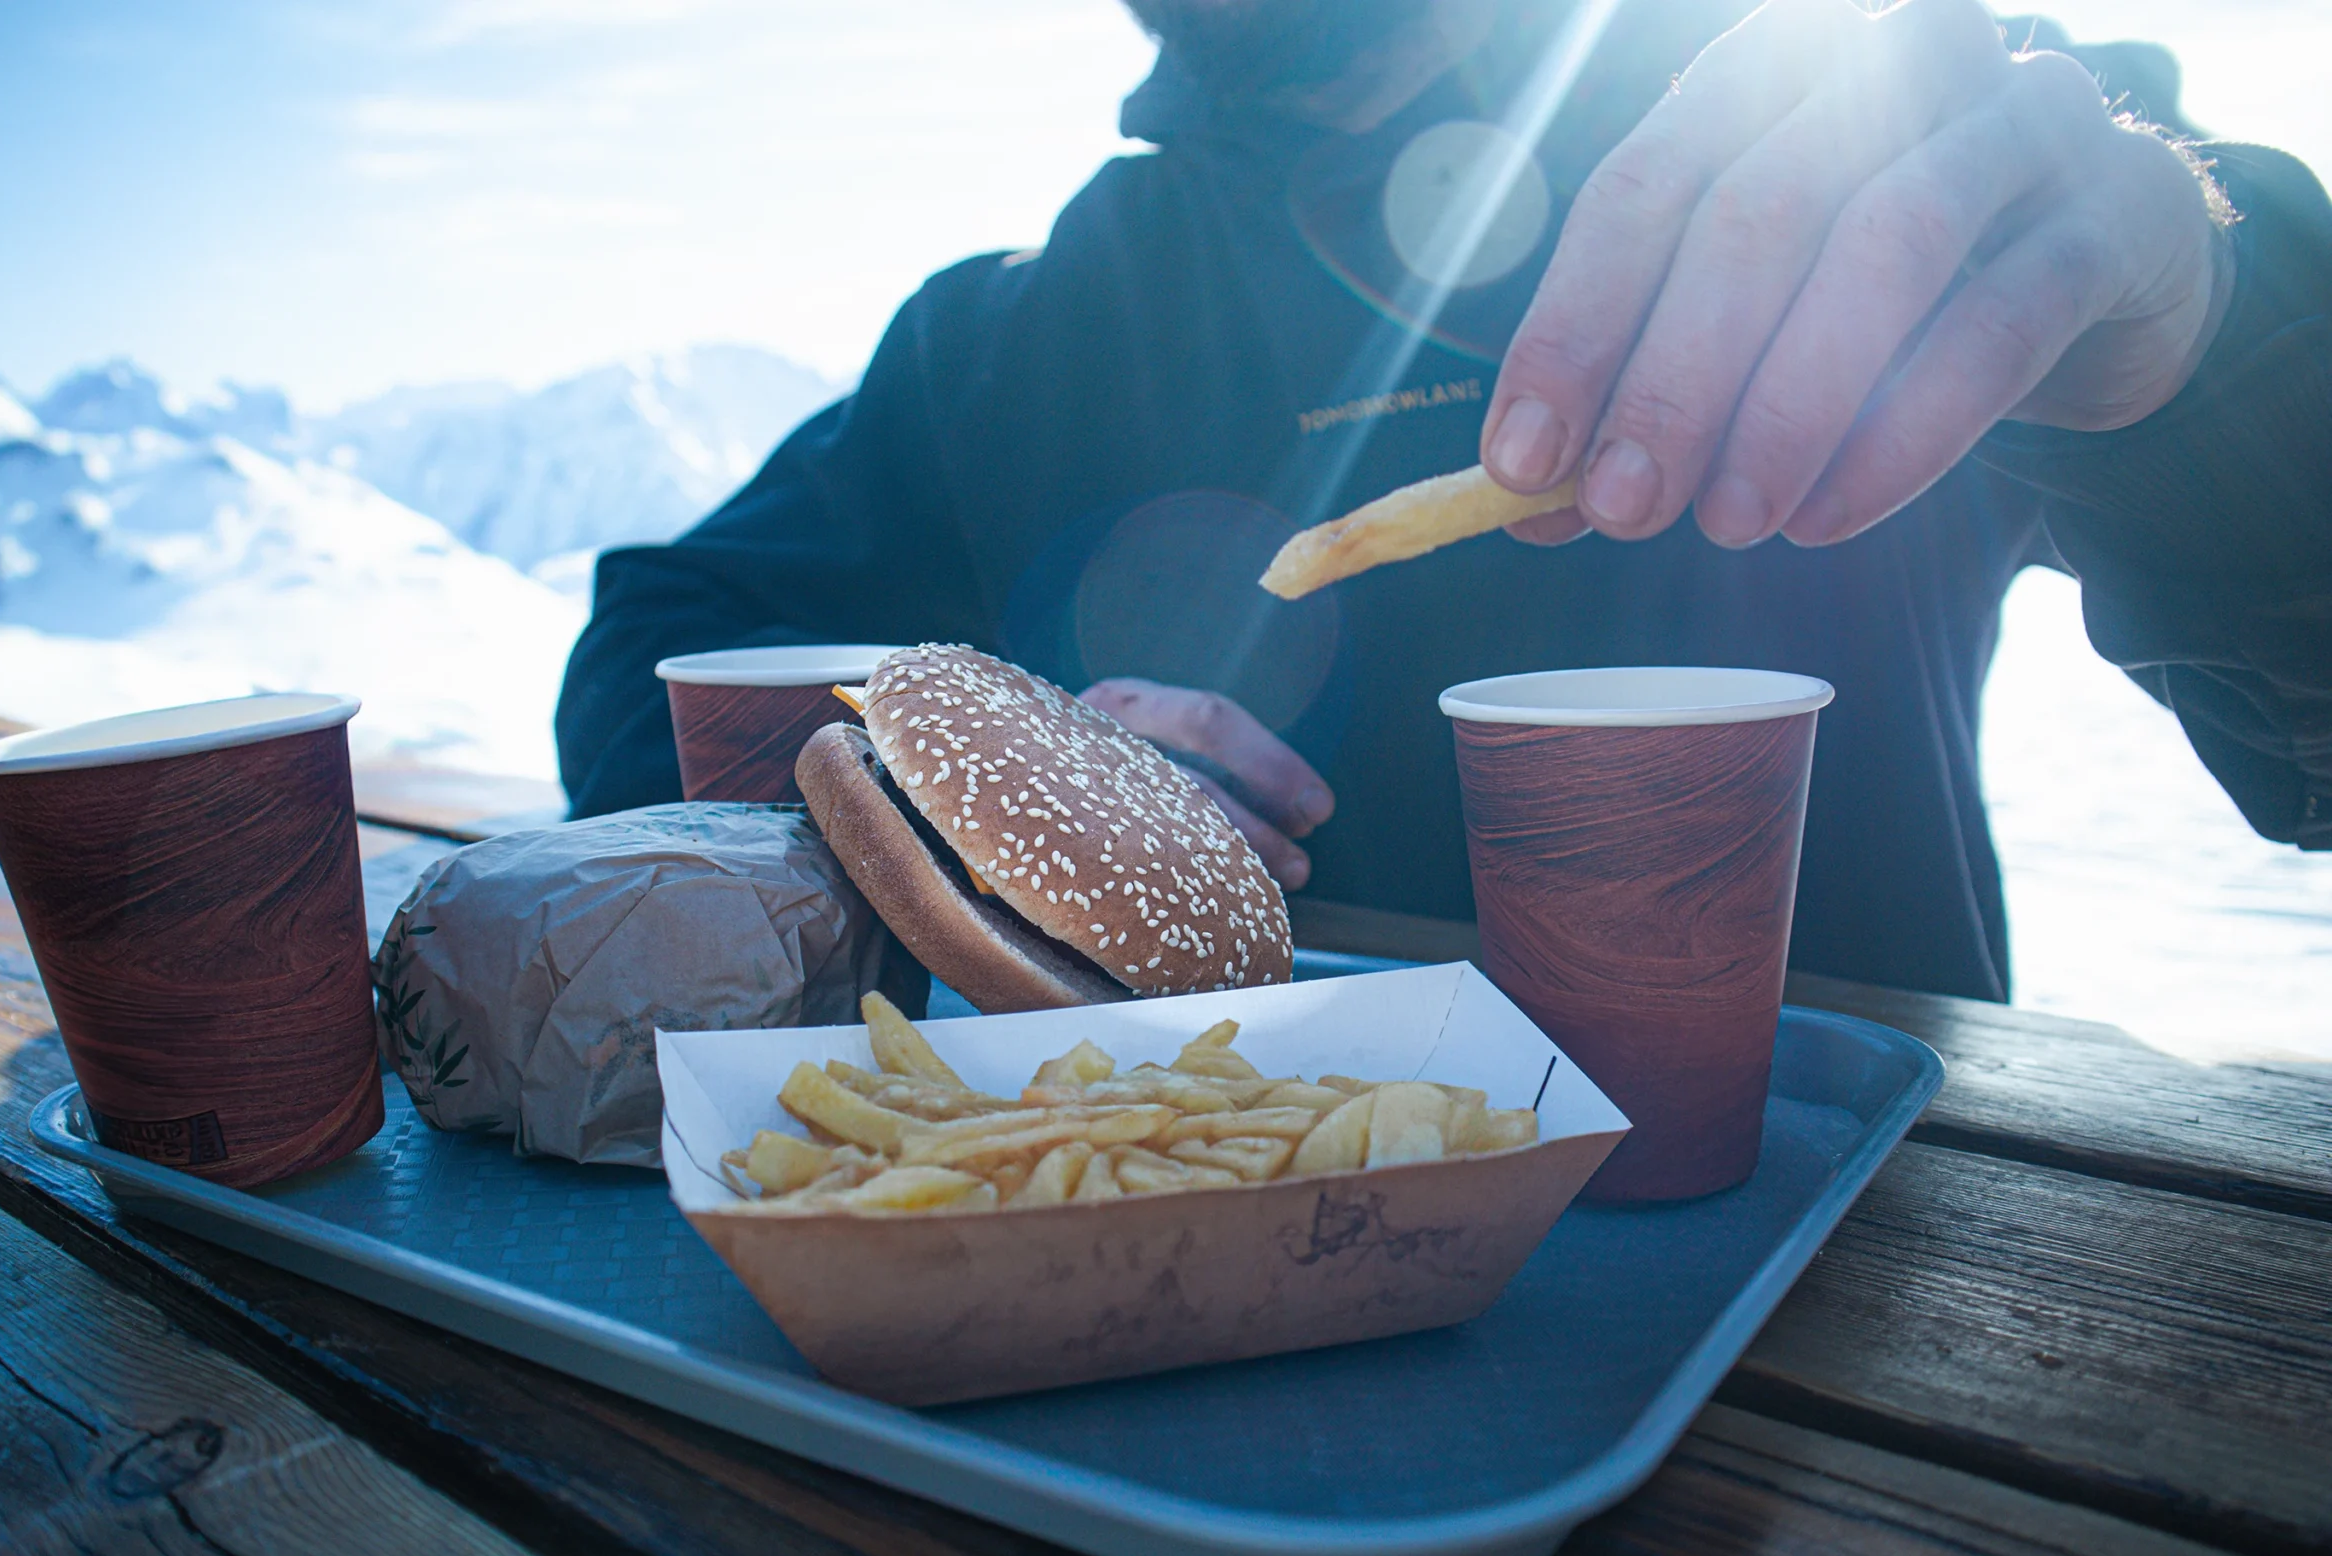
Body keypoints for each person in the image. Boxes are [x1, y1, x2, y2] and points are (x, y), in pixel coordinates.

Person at [556, 0, 2330, 1003]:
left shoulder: (1855, 131)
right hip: (1179, 1301)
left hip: (1885, 1283)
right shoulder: (1020, 332)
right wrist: (975, 796)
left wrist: (2205, 347)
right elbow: (654, 670)